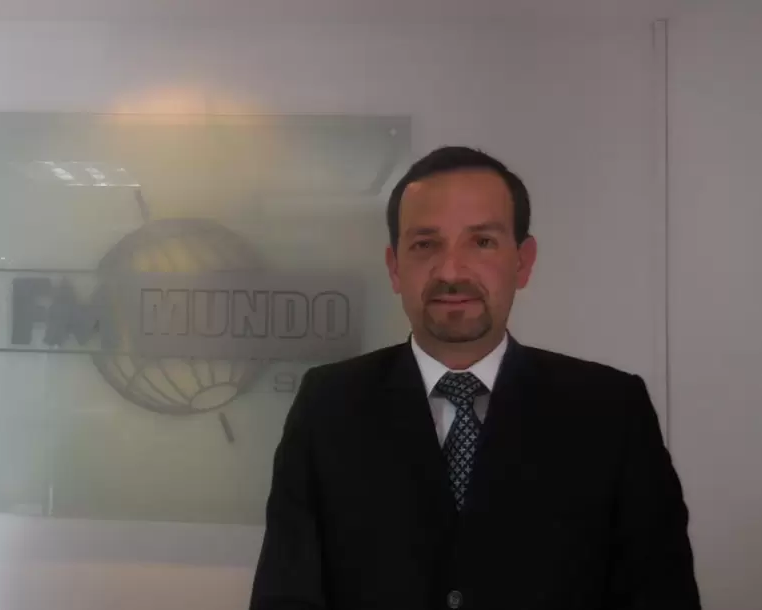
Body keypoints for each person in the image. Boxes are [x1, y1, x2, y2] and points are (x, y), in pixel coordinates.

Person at [249, 147, 700, 610]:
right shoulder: (327, 407)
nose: (451, 271)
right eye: (425, 244)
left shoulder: (611, 412)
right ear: (394, 267)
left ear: (523, 261)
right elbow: (285, 595)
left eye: (481, 242)